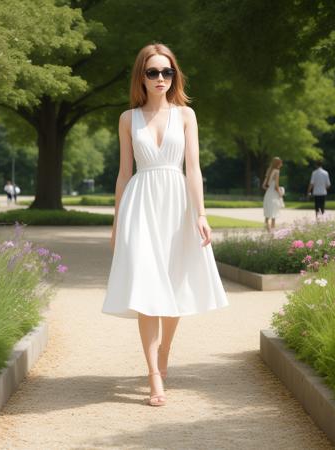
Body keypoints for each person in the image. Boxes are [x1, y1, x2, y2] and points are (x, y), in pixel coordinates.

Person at [101, 43, 229, 407]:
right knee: (147, 289)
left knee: (173, 287)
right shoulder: (128, 119)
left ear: (175, 75)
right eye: (153, 72)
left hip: (177, 205)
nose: (160, 78)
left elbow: (194, 169)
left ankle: (165, 350)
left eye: (167, 72)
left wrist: (201, 213)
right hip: (140, 205)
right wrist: (117, 221)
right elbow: (124, 174)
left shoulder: (186, 115)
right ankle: (153, 375)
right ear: (141, 76)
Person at [262, 157, 284, 232]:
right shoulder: (277, 171)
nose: (282, 164)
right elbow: (276, 186)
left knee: (267, 216)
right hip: (273, 195)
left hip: (268, 194)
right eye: (281, 162)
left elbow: (263, 186)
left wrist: (269, 189)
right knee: (273, 216)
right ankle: (273, 234)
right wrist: (280, 193)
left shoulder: (269, 170)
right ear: (278, 163)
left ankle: (269, 233)